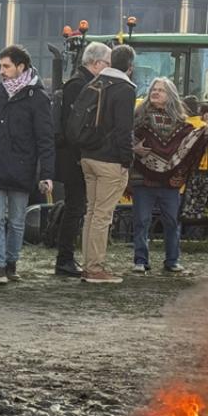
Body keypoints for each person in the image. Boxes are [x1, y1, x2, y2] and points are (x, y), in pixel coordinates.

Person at [0, 45, 54, 284]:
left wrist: (46, 174)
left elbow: (45, 138)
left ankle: (10, 264)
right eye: (1, 66)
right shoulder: (0, 92)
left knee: (16, 222)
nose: (2, 71)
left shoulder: (37, 97)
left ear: (21, 67)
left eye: (6, 66)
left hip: (20, 168)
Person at [130, 77, 208, 275]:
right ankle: (140, 260)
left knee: (172, 221)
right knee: (141, 220)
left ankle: (172, 260)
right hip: (142, 178)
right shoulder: (137, 118)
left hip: (169, 182)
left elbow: (193, 141)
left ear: (171, 96)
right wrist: (134, 149)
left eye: (161, 90)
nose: (156, 93)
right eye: (153, 89)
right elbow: (125, 136)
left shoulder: (181, 124)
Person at [78, 44, 137, 284]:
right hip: (110, 160)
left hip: (87, 155)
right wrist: (127, 160)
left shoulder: (95, 83)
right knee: (103, 216)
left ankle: (87, 264)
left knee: (91, 213)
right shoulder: (125, 88)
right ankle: (95, 268)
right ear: (130, 68)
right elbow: (124, 130)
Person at [53, 42, 110, 277]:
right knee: (75, 207)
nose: (109, 68)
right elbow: (74, 126)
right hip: (74, 156)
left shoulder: (79, 83)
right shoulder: (80, 86)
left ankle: (66, 257)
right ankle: (64, 258)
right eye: (107, 63)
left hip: (73, 155)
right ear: (96, 63)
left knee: (76, 206)